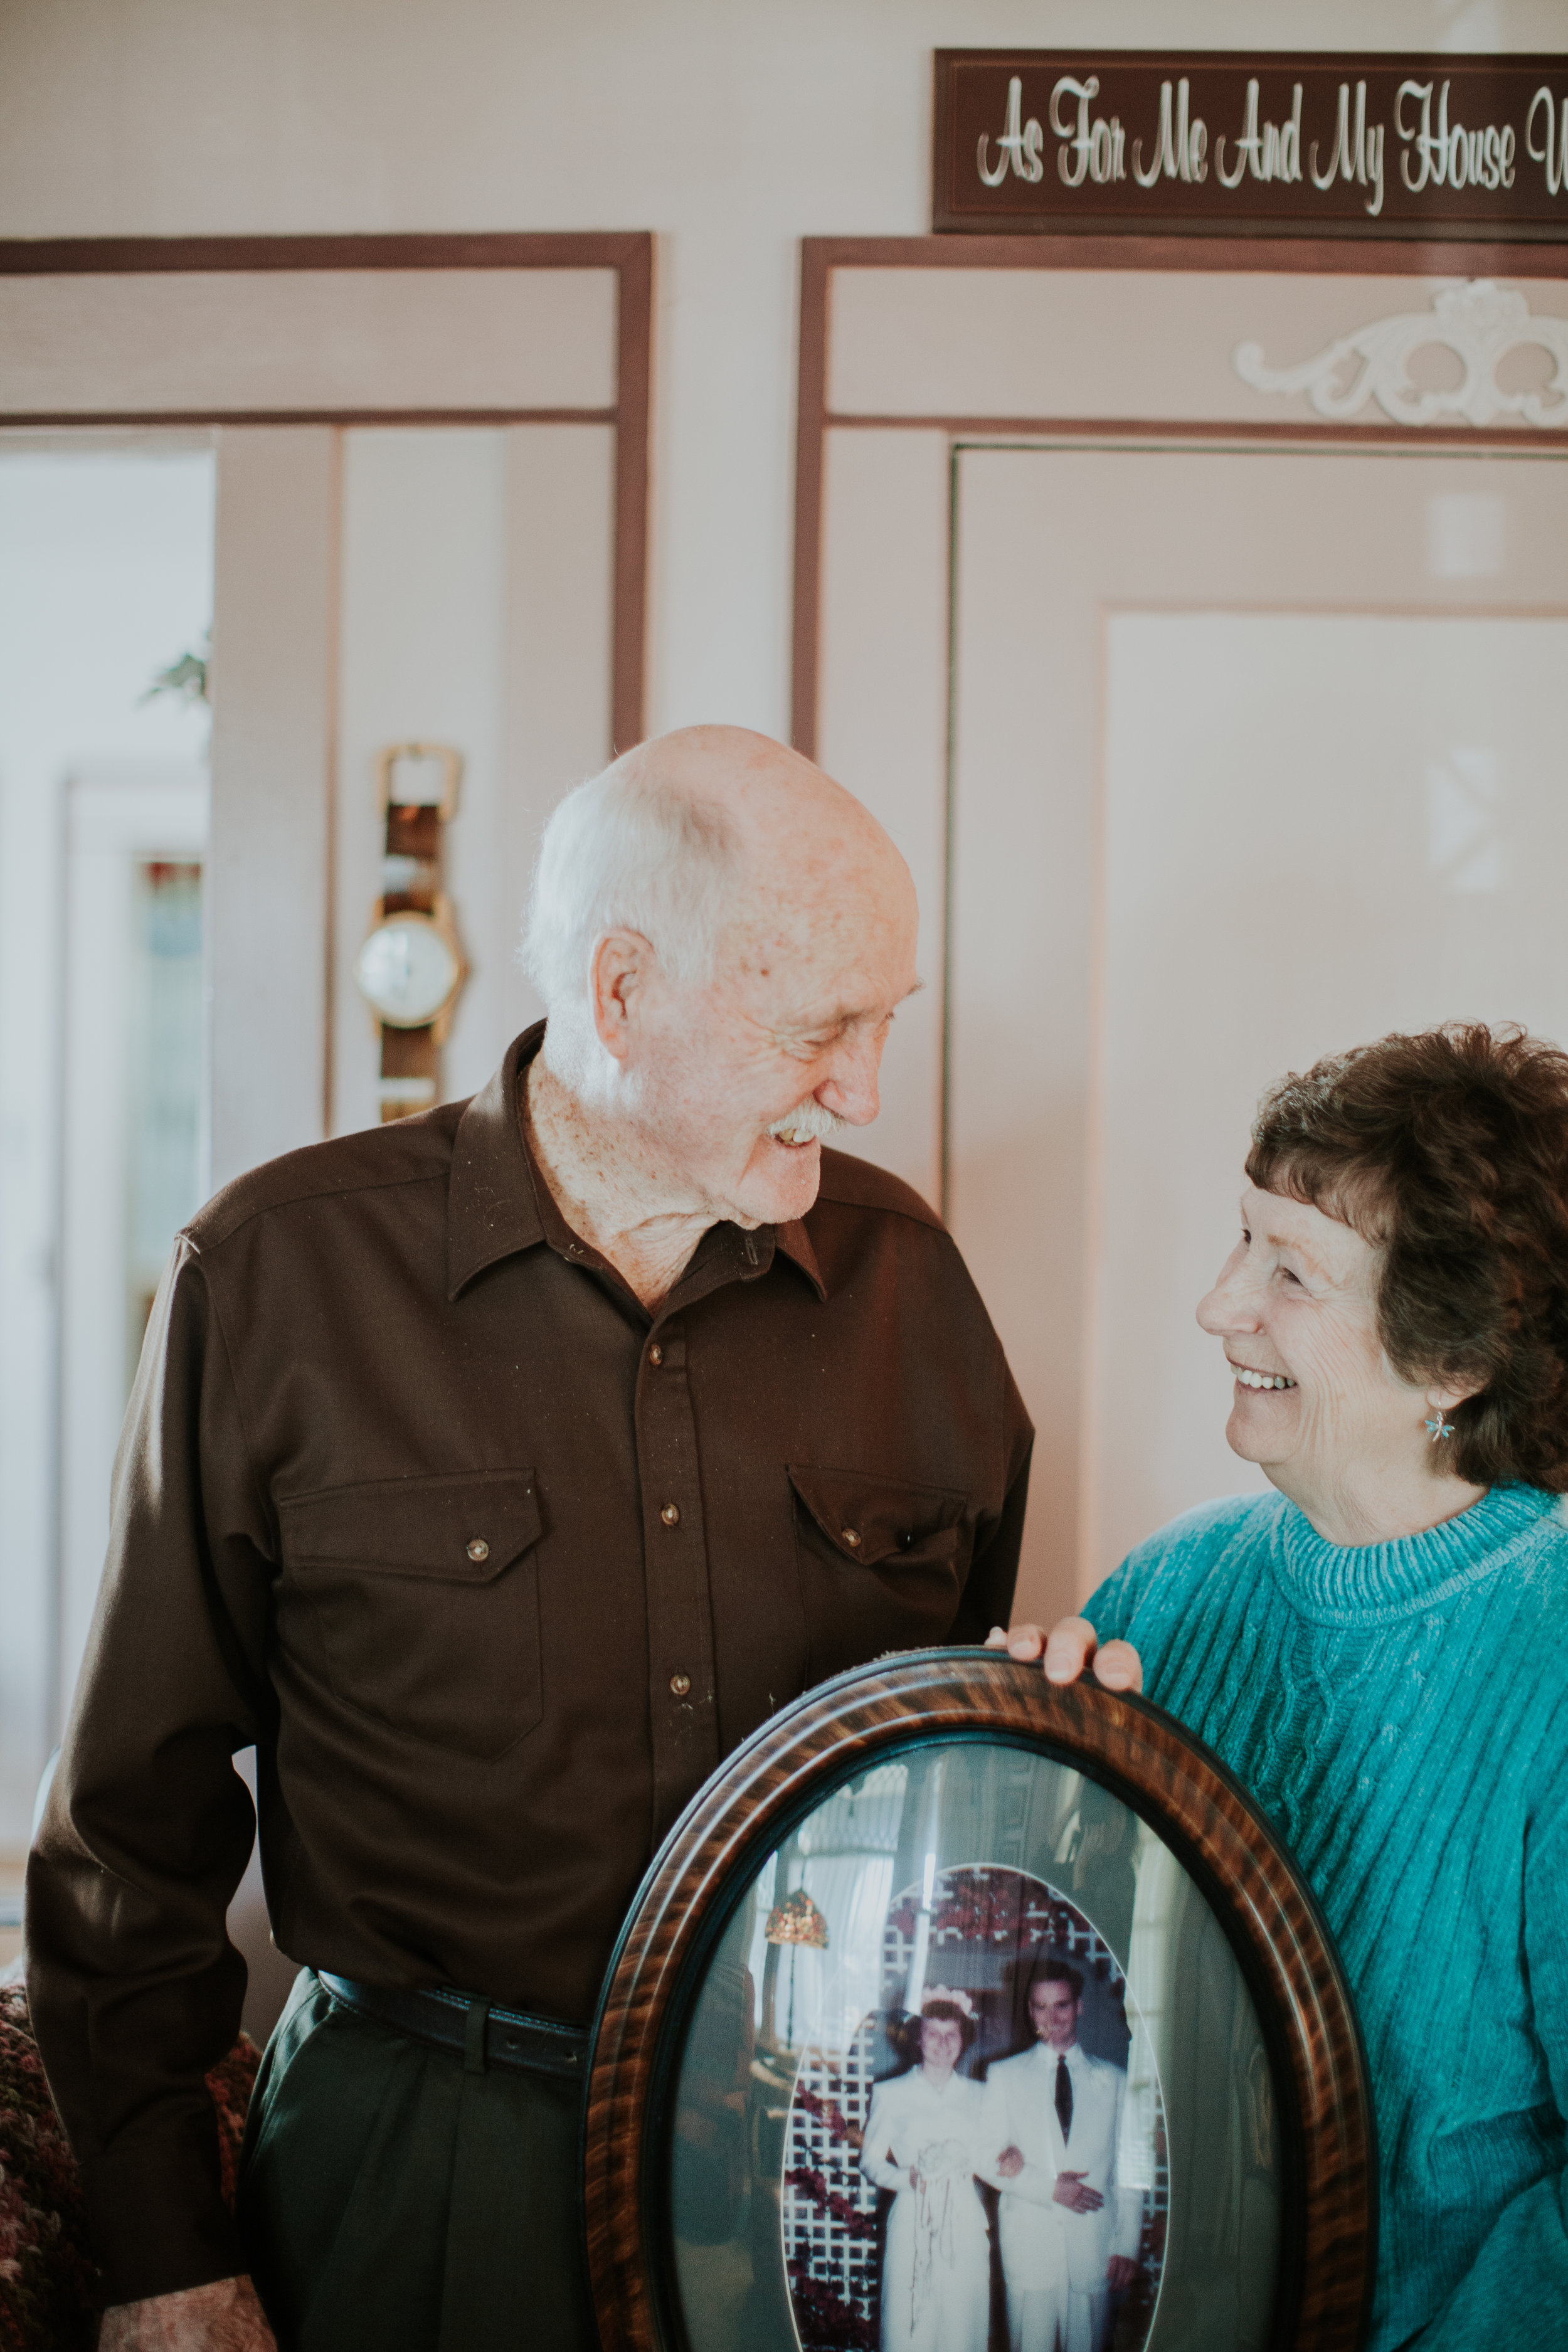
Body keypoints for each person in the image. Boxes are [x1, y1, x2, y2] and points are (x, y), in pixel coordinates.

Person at [25, 726, 1034, 2352]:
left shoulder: (912, 1287)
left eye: (883, 1023)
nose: (860, 1087)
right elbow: (129, 1830)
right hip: (423, 2157)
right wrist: (163, 2250)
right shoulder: (279, 1273)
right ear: (621, 990)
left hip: (822, 2164)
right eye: (817, 1025)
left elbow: (960, 1760)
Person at [995, 1025, 1568, 2352]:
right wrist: (1019, 1772)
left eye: (1289, 1273)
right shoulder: (1169, 1585)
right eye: (1238, 1243)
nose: (1216, 1305)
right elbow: (1054, 2008)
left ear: (1453, 1361)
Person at [977, 1963, 1139, 2352]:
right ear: (1030, 2011)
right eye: (1040, 2007)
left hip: (1094, 2248)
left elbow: (1131, 2165)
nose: (1052, 2019)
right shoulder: (1004, 2075)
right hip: (1030, 2245)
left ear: (1080, 2007)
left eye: (1062, 2006)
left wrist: (1128, 2244)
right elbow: (984, 2157)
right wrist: (1050, 2189)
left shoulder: (1115, 2080)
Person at [860, 1989, 992, 2352]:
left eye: (952, 2034)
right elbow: (871, 2162)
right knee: (909, 2324)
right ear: (918, 2038)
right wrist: (907, 2179)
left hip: (963, 2220)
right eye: (934, 2033)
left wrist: (1009, 2155)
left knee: (961, 2324)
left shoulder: (981, 2096)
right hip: (912, 2217)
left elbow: (990, 2156)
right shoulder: (892, 2093)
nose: (943, 2043)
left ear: (963, 2039)